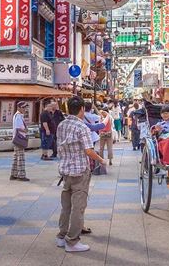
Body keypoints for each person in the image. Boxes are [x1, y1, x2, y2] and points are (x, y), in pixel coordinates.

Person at [55, 95, 108, 253]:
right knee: (78, 207)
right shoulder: (82, 127)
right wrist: (101, 160)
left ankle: (61, 236)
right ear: (82, 109)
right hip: (79, 171)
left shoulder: (62, 125)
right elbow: (88, 150)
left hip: (65, 170)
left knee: (66, 206)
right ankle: (72, 241)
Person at [10, 102, 30, 181]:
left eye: (25, 108)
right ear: (19, 108)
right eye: (23, 108)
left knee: (16, 157)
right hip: (19, 138)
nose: (25, 109)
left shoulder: (17, 115)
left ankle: (14, 174)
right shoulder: (18, 116)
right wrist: (25, 130)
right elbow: (18, 127)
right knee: (20, 157)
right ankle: (21, 175)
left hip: (16, 138)